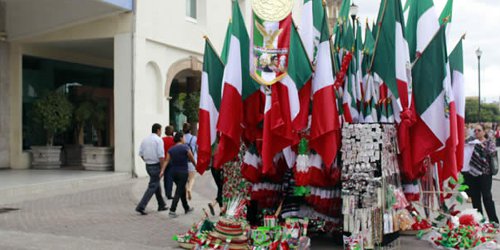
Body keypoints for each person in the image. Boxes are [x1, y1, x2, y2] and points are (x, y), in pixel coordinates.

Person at [465, 124, 499, 223]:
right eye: (475, 131)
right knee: (475, 198)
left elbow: (491, 153)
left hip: (485, 173)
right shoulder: (470, 141)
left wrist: (481, 146)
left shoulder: (489, 142)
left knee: (487, 197)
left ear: (484, 132)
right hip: (472, 173)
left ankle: (493, 221)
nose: (476, 132)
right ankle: (479, 220)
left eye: (479, 130)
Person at [135, 123, 168, 215]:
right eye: (160, 130)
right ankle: (141, 206)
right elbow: (161, 156)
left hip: (148, 165)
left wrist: (147, 160)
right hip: (156, 165)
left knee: (156, 184)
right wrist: (162, 169)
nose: (161, 132)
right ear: (158, 130)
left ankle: (161, 204)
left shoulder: (145, 140)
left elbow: (141, 154)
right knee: (153, 186)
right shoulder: (158, 140)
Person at [163, 132, 196, 218]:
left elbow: (166, 160)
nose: (184, 139)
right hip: (183, 172)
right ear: (181, 138)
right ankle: (172, 210)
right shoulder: (185, 147)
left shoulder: (171, 149)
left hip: (173, 173)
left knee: (182, 190)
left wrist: (162, 170)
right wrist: (196, 166)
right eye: (184, 138)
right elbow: (191, 158)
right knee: (178, 191)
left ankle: (186, 207)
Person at [183, 123, 197, 200]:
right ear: (190, 130)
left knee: (184, 179)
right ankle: (189, 189)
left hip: (183, 161)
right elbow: (197, 149)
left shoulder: (182, 138)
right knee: (192, 178)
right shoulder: (194, 138)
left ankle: (185, 193)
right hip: (192, 160)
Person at [162, 125, 175, 199]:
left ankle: (166, 192)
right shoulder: (174, 140)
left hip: (164, 160)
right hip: (172, 160)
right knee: (170, 177)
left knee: (166, 177)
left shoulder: (162, 139)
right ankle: (169, 194)